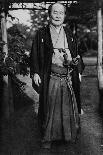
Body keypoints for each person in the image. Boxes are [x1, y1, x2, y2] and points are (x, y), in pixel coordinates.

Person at [30, 2, 85, 149]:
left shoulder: (70, 34)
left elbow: (77, 55)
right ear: (49, 15)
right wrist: (35, 71)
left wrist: (78, 70)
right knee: (50, 107)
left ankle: (67, 137)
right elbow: (34, 54)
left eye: (61, 13)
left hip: (67, 77)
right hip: (51, 77)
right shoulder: (42, 33)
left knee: (67, 108)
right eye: (55, 12)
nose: (58, 15)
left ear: (65, 16)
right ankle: (48, 137)